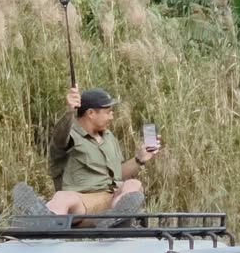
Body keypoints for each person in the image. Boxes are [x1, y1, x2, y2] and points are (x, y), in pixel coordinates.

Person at [12, 87, 161, 219]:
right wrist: (70, 110)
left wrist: (139, 160)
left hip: (111, 201)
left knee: (133, 185)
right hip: (83, 204)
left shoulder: (109, 137)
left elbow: (117, 174)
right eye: (108, 112)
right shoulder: (69, 136)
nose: (112, 116)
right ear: (91, 113)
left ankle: (117, 216)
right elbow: (59, 136)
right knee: (63, 198)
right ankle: (44, 219)